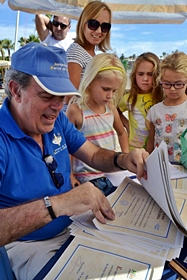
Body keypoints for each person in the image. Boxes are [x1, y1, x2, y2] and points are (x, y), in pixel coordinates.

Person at [0, 42, 148, 280]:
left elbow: (92, 154)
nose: (58, 107)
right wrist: (56, 205)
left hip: (75, 229)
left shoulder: (56, 120)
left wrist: (124, 159)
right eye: (48, 95)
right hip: (29, 245)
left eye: (62, 96)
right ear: (15, 90)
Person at [66, 53, 129, 194]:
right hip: (87, 179)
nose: (110, 95)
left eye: (114, 90)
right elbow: (67, 146)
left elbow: (121, 132)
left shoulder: (111, 107)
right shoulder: (76, 111)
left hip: (112, 174)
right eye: (106, 89)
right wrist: (69, 175)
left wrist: (125, 158)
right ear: (90, 81)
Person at [65, 1, 112, 108]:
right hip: (77, 122)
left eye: (105, 26)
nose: (99, 31)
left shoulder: (91, 54)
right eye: (93, 24)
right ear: (83, 24)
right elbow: (70, 98)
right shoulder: (76, 52)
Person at [146, 51, 187, 163]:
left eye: (178, 84)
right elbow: (151, 142)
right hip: (160, 167)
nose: (172, 89)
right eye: (167, 84)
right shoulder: (154, 111)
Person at [118, 52, 163, 151]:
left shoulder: (162, 97)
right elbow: (116, 111)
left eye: (150, 74)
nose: (145, 78)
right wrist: (126, 125)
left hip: (157, 150)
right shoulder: (129, 98)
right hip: (134, 150)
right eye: (140, 74)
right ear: (134, 75)